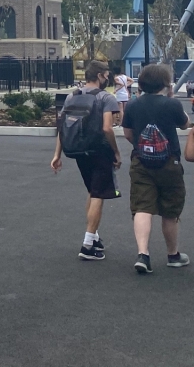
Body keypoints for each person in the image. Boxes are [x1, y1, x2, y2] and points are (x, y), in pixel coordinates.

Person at [122, 63, 191, 273]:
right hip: (169, 162)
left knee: (143, 207)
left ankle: (143, 254)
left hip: (141, 161)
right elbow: (185, 124)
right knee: (170, 210)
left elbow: (127, 132)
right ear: (165, 84)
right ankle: (173, 254)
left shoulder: (133, 105)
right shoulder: (171, 105)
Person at [51, 60, 122, 261]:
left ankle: (94, 235)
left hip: (78, 150)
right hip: (98, 150)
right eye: (106, 75)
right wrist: (116, 152)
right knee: (99, 193)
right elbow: (107, 128)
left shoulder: (72, 96)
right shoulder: (106, 98)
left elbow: (62, 128)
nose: (107, 78)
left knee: (92, 190)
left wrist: (57, 154)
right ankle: (88, 243)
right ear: (99, 76)